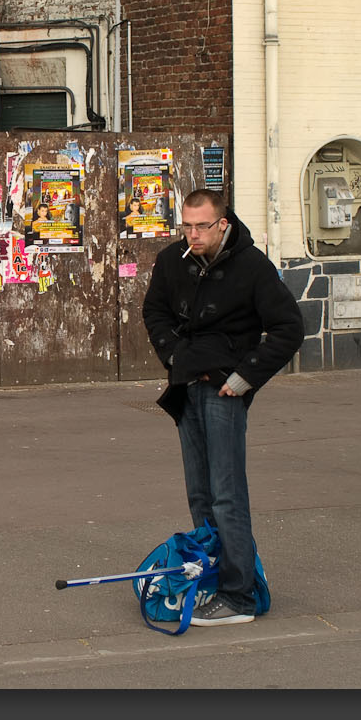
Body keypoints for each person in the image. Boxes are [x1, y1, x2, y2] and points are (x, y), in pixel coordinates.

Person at [141, 189, 306, 627]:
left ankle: (240, 596)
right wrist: (173, 354)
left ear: (223, 223)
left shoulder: (251, 266)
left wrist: (245, 376)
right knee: (200, 492)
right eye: (186, 226)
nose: (192, 235)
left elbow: (289, 329)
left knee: (227, 494)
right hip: (185, 384)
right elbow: (154, 310)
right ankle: (213, 573)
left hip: (225, 390)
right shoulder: (172, 259)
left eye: (202, 226)